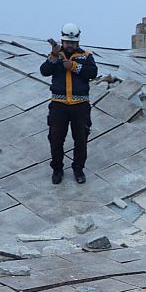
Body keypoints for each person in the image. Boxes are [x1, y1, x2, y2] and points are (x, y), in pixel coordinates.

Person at [40, 23, 98, 184]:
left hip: (80, 106)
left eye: (72, 43)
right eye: (67, 42)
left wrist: (73, 66)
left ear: (77, 42)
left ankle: (78, 169)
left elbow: (92, 73)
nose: (69, 45)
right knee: (56, 139)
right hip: (59, 105)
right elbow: (44, 71)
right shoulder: (55, 55)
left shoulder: (86, 56)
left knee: (81, 139)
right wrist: (52, 56)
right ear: (62, 41)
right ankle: (57, 169)